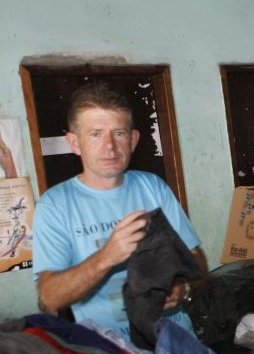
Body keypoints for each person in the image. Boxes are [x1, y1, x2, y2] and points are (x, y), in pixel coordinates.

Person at [33, 81, 207, 338]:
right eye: (95, 134)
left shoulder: (153, 187)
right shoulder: (54, 205)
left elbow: (196, 261)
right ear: (75, 142)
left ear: (133, 140)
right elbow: (49, 299)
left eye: (119, 133)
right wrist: (107, 256)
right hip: (111, 353)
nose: (110, 146)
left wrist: (185, 287)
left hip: (176, 340)